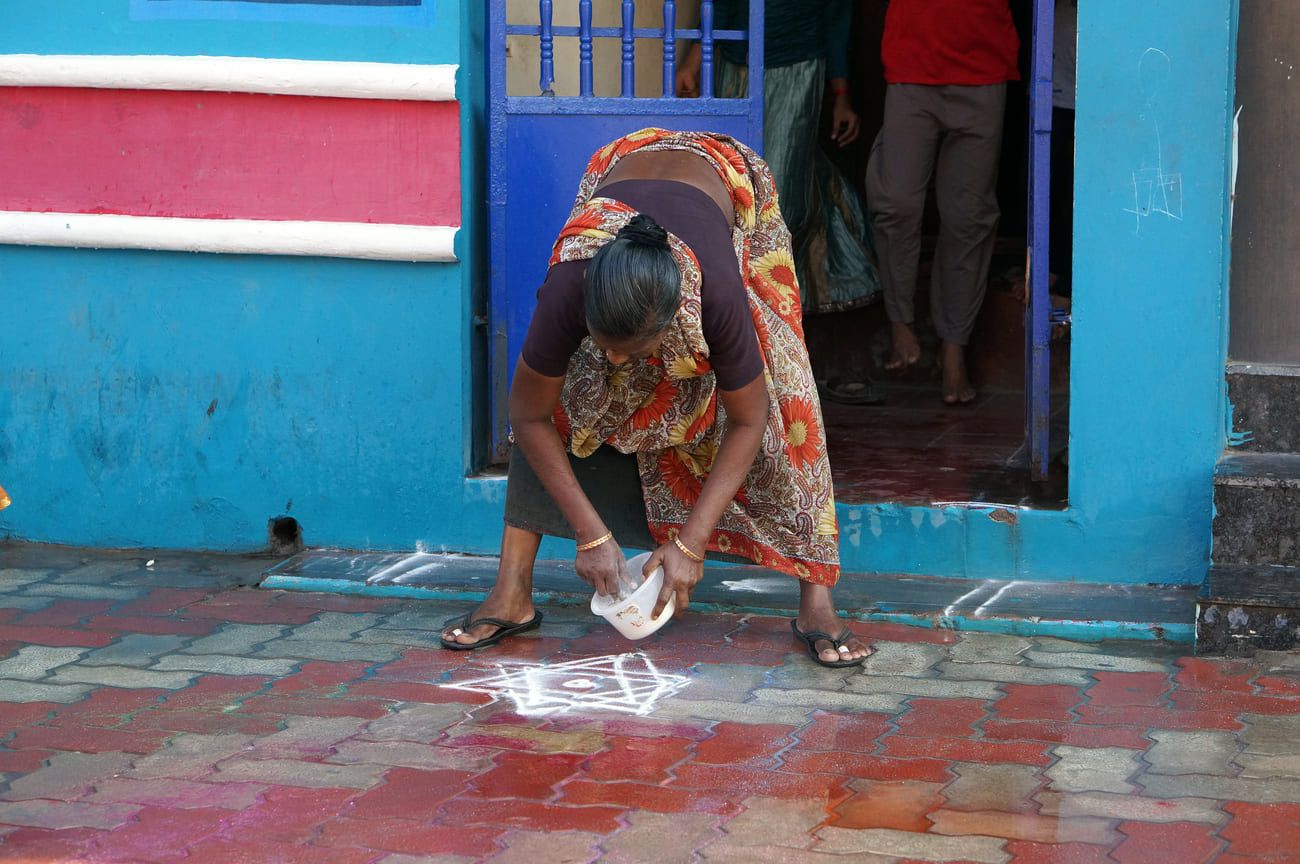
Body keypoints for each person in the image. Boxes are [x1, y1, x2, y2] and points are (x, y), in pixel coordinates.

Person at [439, 128, 871, 667]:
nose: (617, 362)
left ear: (676, 320)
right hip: (622, 165)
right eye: (606, 347)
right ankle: (511, 593)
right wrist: (590, 533)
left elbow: (749, 418)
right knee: (564, 396)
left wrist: (690, 543)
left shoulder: (716, 294)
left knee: (786, 390)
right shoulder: (572, 281)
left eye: (632, 351)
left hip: (727, 182)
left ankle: (816, 604)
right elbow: (527, 414)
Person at [675, 0, 883, 362]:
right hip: (734, 62)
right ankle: (739, 325)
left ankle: (777, 330)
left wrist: (841, 95)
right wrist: (694, 60)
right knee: (733, 189)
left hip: (797, 65)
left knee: (784, 198)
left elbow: (835, 20)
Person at [865, 0, 1020, 404]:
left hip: (983, 66)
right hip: (912, 63)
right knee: (896, 201)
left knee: (968, 217)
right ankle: (901, 323)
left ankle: (954, 349)